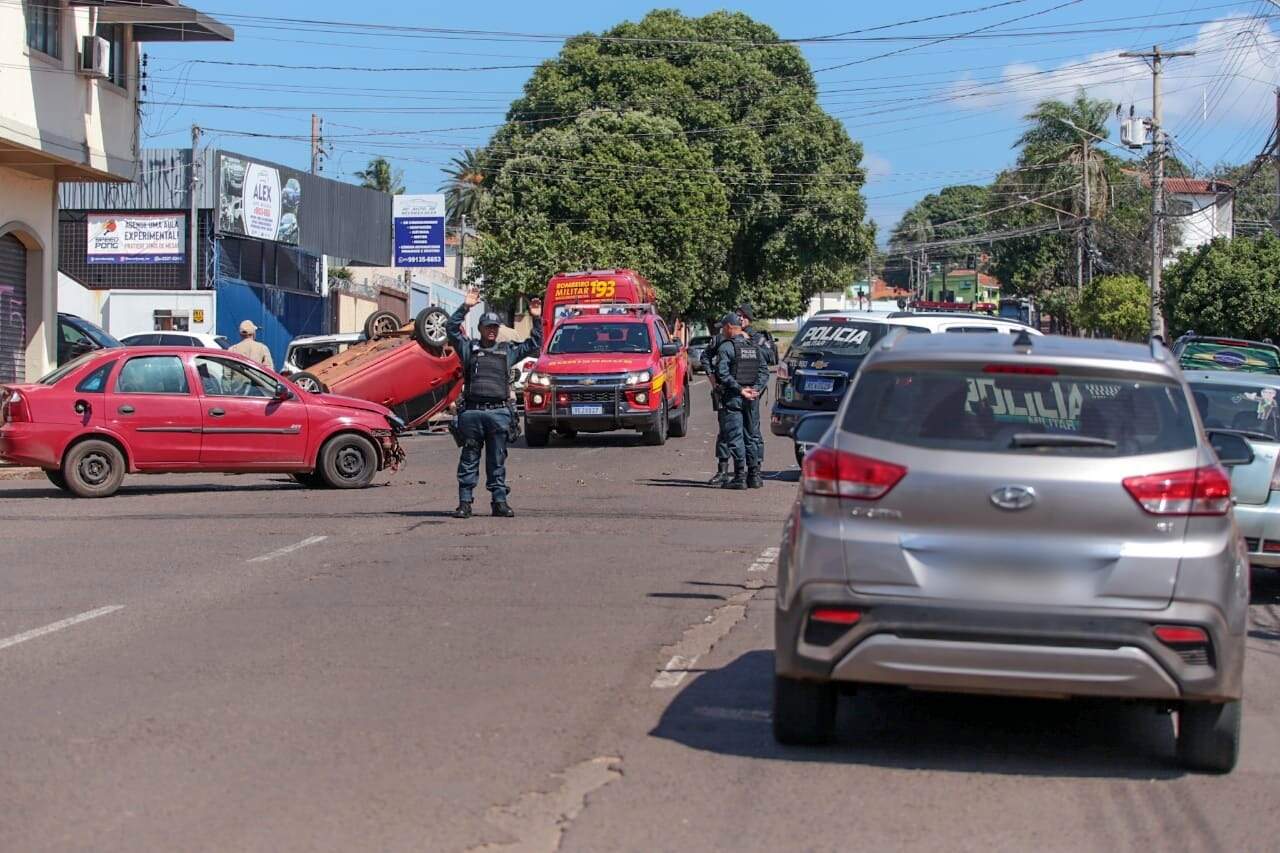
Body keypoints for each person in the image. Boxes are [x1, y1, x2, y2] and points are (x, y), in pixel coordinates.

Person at [448, 289, 543, 519]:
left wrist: (536, 318)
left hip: (498, 413)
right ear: (480, 329)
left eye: (494, 327)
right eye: (488, 327)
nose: (491, 330)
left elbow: (535, 344)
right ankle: (465, 503)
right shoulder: (468, 348)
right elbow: (451, 329)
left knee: (497, 459)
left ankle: (499, 502)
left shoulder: (507, 351)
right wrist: (466, 306)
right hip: (472, 413)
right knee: (469, 459)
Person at [713, 312, 769, 490]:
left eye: (723, 328)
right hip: (752, 398)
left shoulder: (726, 347)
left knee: (736, 436)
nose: (722, 331)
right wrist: (756, 390)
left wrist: (740, 389)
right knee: (752, 436)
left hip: (735, 398)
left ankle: (739, 477)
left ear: (729, 327)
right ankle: (755, 476)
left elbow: (722, 373)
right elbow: (764, 372)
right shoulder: (753, 346)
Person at [736, 303, 775, 476]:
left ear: (748, 318)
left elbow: (770, 355)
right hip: (738, 387)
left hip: (753, 387)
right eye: (738, 316)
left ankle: (756, 465)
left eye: (742, 316)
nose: (740, 319)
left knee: (753, 429)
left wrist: (749, 341)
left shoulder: (756, 336)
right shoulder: (733, 335)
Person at [700, 319, 732, 485]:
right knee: (725, 431)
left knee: (749, 433)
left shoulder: (751, 338)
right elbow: (705, 357)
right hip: (724, 390)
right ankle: (723, 471)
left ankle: (749, 472)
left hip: (747, 391)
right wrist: (713, 381)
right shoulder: (719, 340)